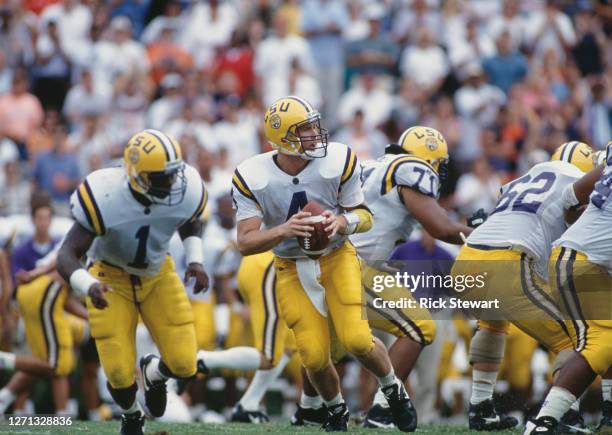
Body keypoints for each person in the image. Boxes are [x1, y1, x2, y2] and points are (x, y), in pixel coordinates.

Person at [228, 95, 412, 431]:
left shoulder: (338, 159)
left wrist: (341, 223)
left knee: (357, 339)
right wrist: (284, 229)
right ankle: (335, 409)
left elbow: (364, 216)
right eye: (306, 129)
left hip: (337, 257)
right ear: (284, 139)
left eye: (314, 125)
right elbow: (245, 242)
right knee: (312, 355)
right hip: (289, 267)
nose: (316, 133)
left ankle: (393, 390)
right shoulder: (253, 175)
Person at [295, 126, 476, 430]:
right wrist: (485, 236)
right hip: (357, 265)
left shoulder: (371, 165)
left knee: (330, 348)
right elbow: (440, 228)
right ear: (429, 159)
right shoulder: (411, 169)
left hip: (327, 262)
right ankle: (383, 410)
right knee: (419, 327)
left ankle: (307, 410)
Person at [56, 129, 209, 435]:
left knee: (184, 363)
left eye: (173, 173)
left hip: (157, 271)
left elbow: (190, 219)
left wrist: (195, 259)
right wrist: (88, 286)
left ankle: (154, 373)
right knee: (116, 370)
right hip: (108, 277)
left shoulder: (186, 186)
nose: (173, 183)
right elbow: (67, 253)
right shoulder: (105, 195)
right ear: (138, 175)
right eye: (162, 176)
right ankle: (131, 415)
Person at [451, 141, 601, 432]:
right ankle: (564, 416)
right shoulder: (576, 184)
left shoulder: (526, 176)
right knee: (574, 340)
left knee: (492, 326)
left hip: (466, 259)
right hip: (507, 261)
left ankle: (480, 407)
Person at [526, 142, 612, 434]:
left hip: (585, 260)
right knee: (599, 343)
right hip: (580, 262)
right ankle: (543, 423)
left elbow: (571, 196)